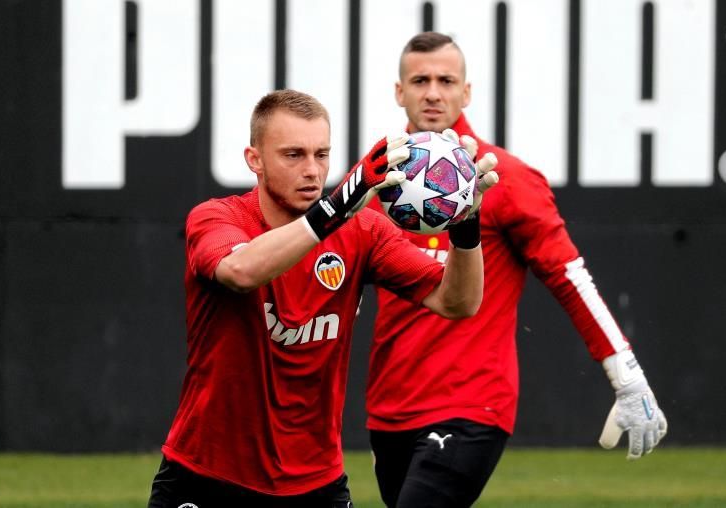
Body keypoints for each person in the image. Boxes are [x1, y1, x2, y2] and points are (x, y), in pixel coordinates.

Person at [148, 89, 495, 507]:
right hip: (206, 476)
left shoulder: (363, 231)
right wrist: (336, 209)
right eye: (293, 155)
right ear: (254, 159)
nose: (312, 170)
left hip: (316, 482)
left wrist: (465, 225)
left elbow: (458, 302)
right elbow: (241, 272)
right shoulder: (216, 217)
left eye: (322, 154)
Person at [365, 32, 669, 508]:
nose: (433, 93)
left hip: (472, 404)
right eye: (420, 81)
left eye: (446, 81)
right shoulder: (373, 181)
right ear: (399, 92)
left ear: (466, 92)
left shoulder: (504, 178)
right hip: (389, 410)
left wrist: (625, 374)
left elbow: (569, 277)